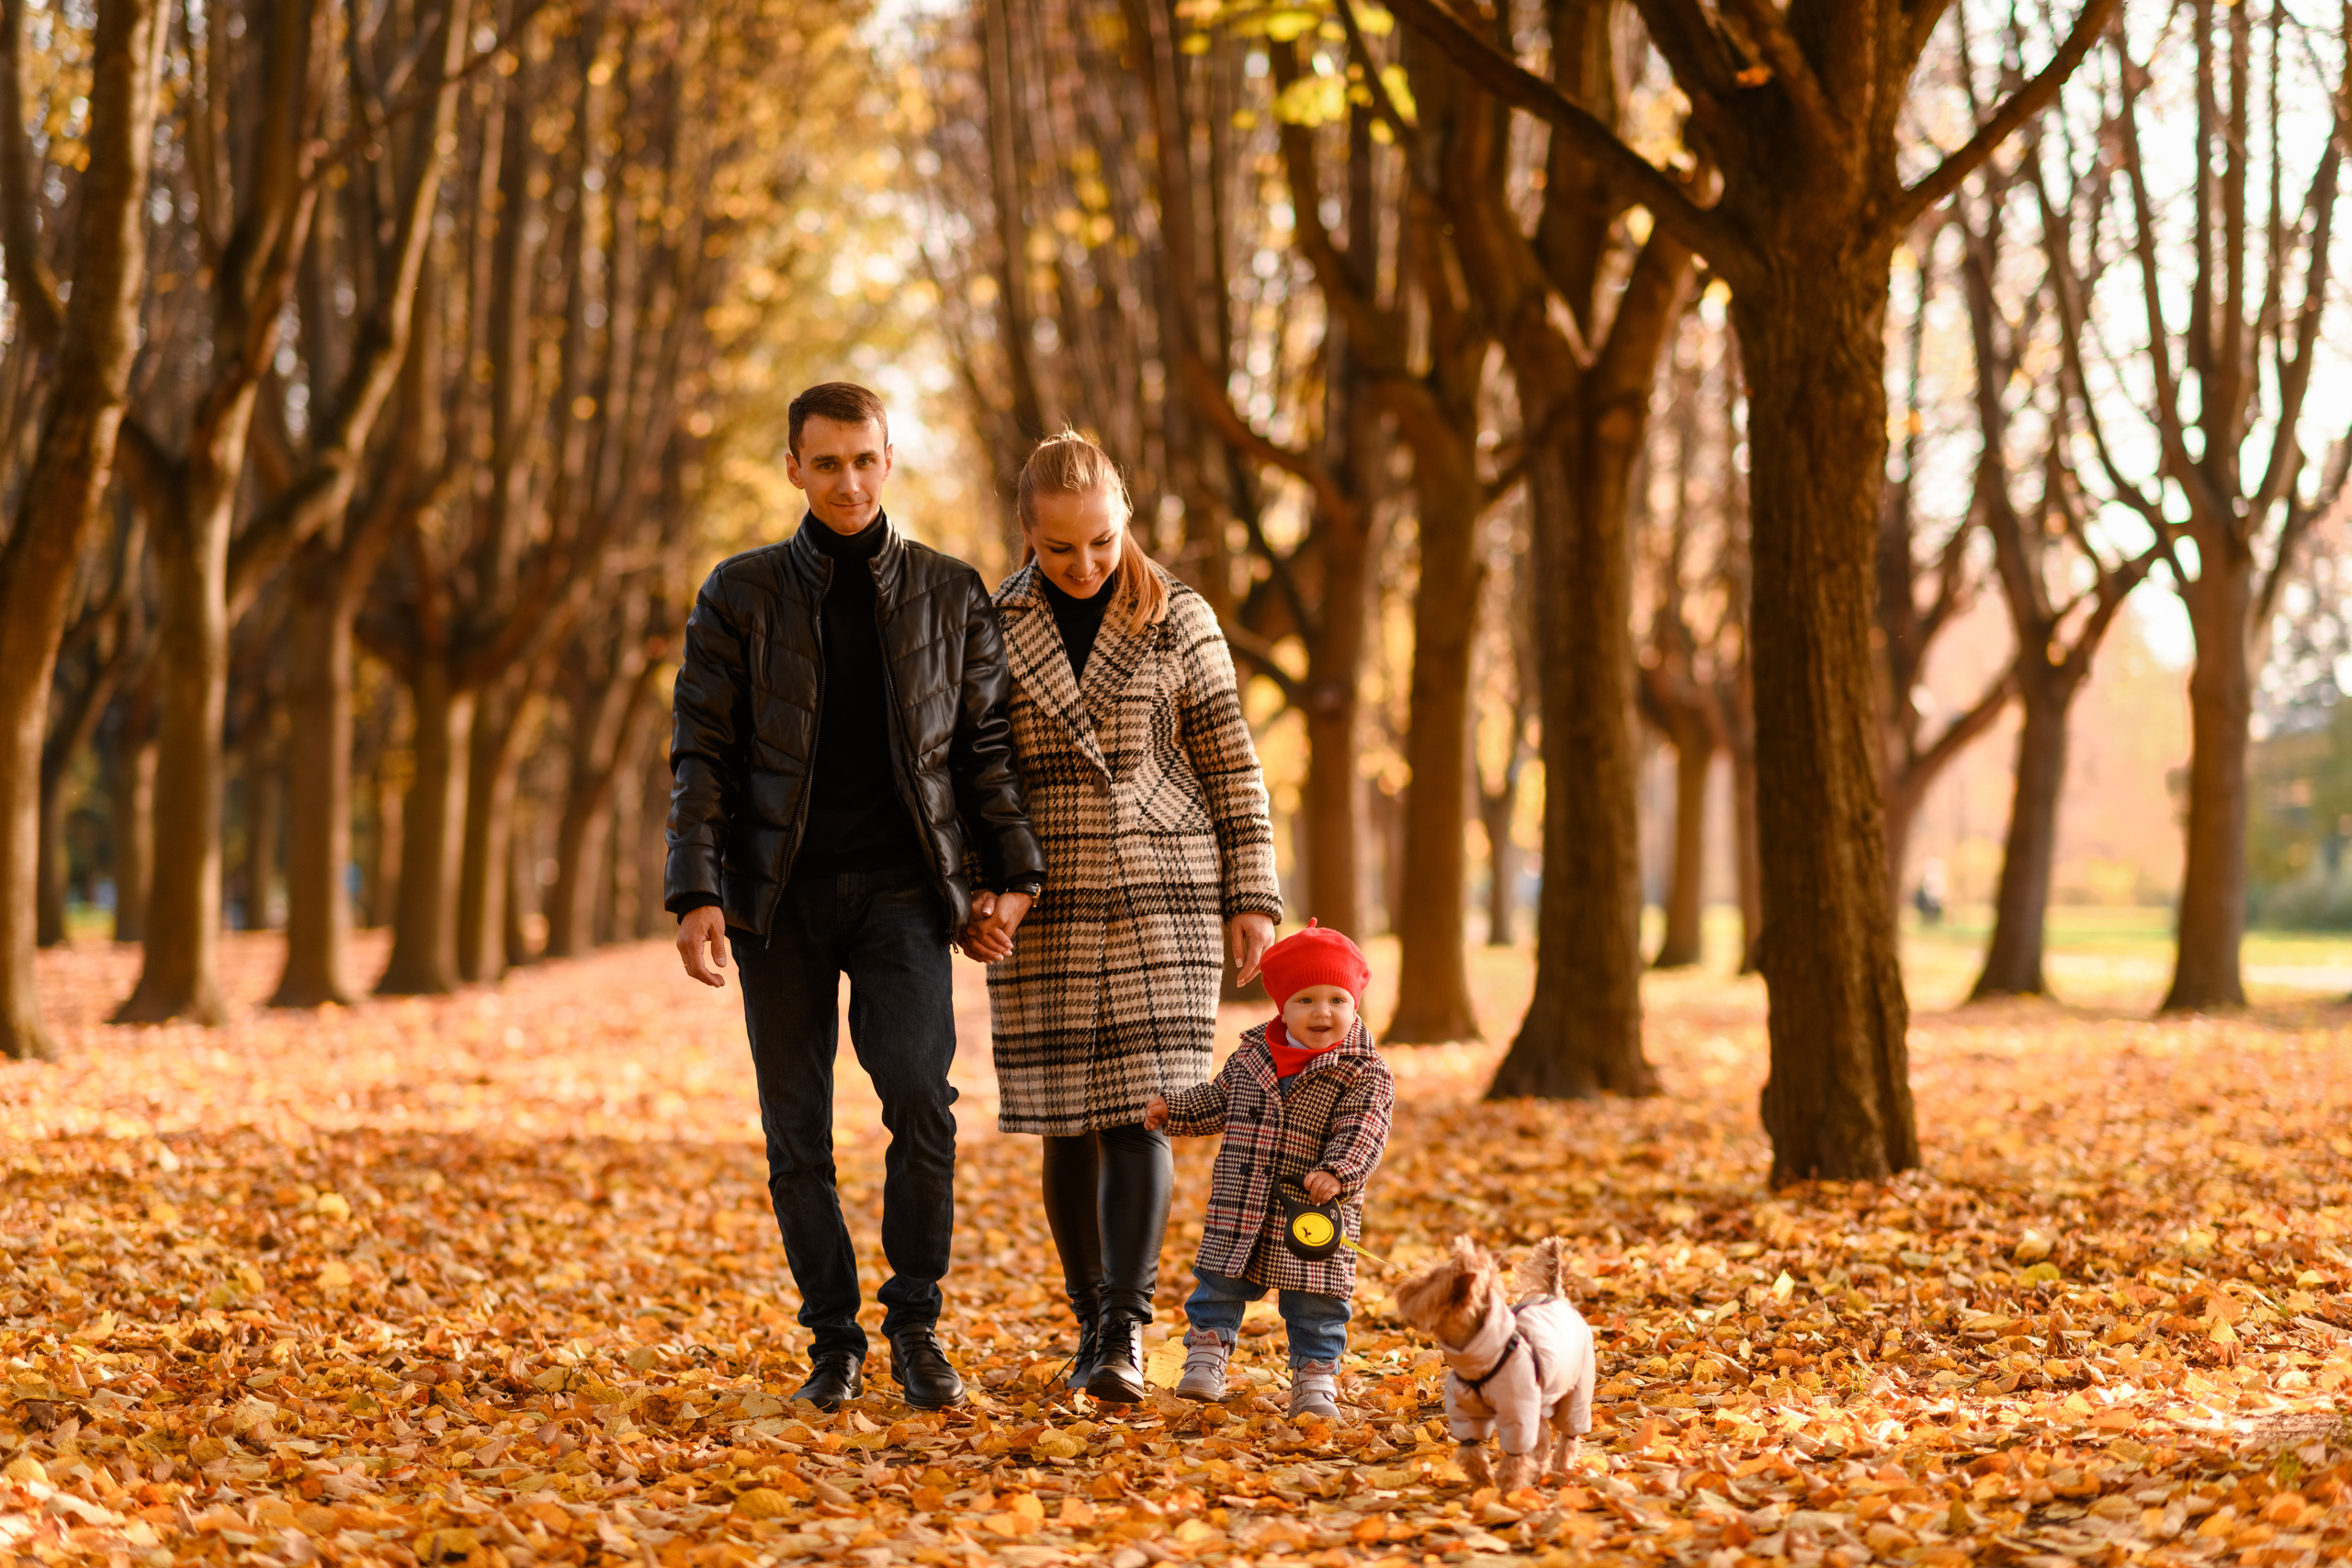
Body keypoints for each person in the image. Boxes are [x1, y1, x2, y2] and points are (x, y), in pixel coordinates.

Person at [666, 382, 1046, 1412]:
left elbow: (983, 754)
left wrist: (1011, 877)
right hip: (776, 898)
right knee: (796, 1128)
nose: (847, 480)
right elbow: (702, 755)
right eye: (825, 462)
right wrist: (697, 887)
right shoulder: (736, 595)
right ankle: (832, 1340)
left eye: (864, 460)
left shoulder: (947, 590)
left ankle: (916, 1323)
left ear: (889, 462)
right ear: (792, 466)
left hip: (902, 895)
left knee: (922, 1102)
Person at [966, 432, 1281, 1404]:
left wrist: (1253, 893)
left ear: (1124, 517)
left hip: (1165, 886)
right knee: (1067, 1121)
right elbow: (978, 769)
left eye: (1100, 541)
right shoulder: (992, 621)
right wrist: (985, 885)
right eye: (1060, 548)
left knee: (1143, 1110)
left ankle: (1125, 1332)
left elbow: (1231, 758)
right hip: (1044, 892)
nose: (1084, 564)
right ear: (1027, 534)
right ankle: (1089, 1319)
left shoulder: (1178, 614)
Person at [1144, 920, 1394, 1420]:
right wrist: (1177, 1110)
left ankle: (1315, 1377)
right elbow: (1220, 1099)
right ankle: (1207, 1353)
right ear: (1283, 1005)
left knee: (1317, 1302)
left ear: (1355, 1004)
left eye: (1337, 1000)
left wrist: (1340, 1172)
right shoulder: (1254, 1055)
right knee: (1220, 1281)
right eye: (1306, 1000)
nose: (1322, 1011)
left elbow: (1365, 1128)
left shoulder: (1364, 1070)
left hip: (1314, 1210)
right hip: (1242, 1199)